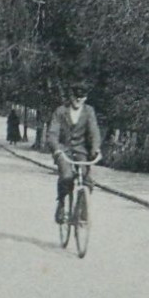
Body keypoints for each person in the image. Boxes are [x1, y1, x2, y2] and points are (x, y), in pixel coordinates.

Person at [45, 82, 102, 224]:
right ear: (71, 97)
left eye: (81, 98)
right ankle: (61, 203)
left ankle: (81, 212)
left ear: (85, 98)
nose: (78, 100)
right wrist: (56, 149)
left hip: (81, 150)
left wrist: (95, 149)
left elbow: (94, 132)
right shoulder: (60, 111)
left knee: (88, 180)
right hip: (63, 150)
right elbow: (52, 133)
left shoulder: (89, 111)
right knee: (66, 176)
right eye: (76, 97)